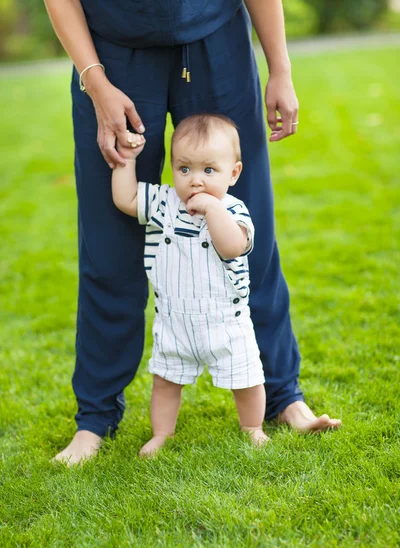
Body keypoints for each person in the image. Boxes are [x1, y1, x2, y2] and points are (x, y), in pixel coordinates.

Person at [44, 0, 341, 464]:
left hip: (215, 44)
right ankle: (95, 418)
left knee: (246, 236)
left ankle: (283, 395)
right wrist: (95, 82)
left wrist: (279, 67)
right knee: (108, 244)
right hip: (111, 54)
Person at [113, 114, 269, 456]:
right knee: (165, 381)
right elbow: (125, 199)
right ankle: (162, 434)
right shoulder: (164, 203)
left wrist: (213, 209)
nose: (195, 181)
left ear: (234, 173)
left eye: (208, 171)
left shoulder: (233, 210)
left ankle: (253, 427)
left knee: (246, 378)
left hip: (225, 320)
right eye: (184, 169)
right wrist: (127, 160)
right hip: (174, 319)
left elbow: (232, 247)